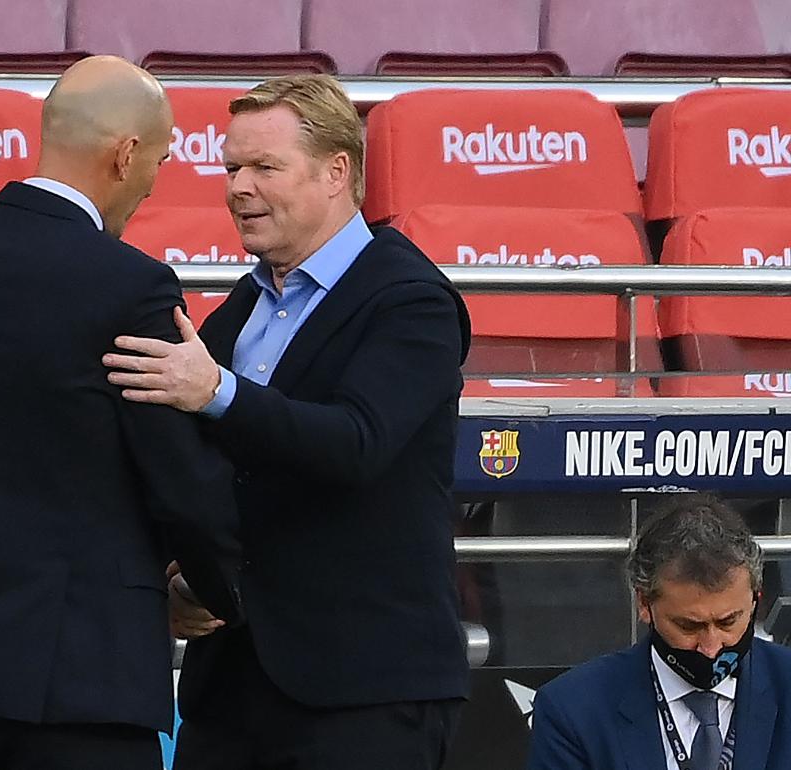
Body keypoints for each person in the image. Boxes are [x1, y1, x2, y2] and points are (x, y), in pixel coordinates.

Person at [0, 55, 243, 770]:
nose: (154, 180)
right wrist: (214, 586)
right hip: (78, 678)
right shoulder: (132, 286)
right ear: (125, 155)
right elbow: (180, 479)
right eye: (158, 161)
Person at [103, 73, 472, 769]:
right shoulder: (240, 309)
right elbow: (202, 469)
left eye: (264, 167)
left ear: (337, 173)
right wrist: (181, 577)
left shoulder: (411, 300)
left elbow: (355, 444)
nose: (238, 187)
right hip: (232, 682)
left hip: (366, 693)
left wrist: (217, 392)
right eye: (231, 167)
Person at [527, 496, 791, 770]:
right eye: (689, 626)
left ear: (755, 601)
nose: (711, 647)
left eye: (728, 622)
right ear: (644, 603)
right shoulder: (574, 711)